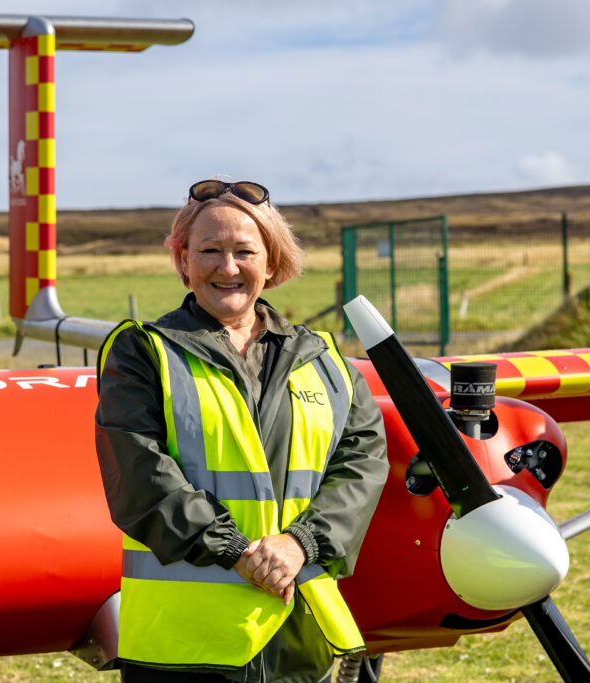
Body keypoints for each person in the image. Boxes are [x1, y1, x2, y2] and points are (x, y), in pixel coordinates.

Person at [95, 179, 388, 682]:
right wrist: (236, 550)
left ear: (271, 264)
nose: (227, 267)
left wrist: (301, 543)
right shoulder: (143, 353)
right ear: (183, 262)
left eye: (244, 251)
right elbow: (139, 474)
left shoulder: (324, 358)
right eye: (209, 250)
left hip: (300, 639)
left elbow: (363, 462)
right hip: (184, 649)